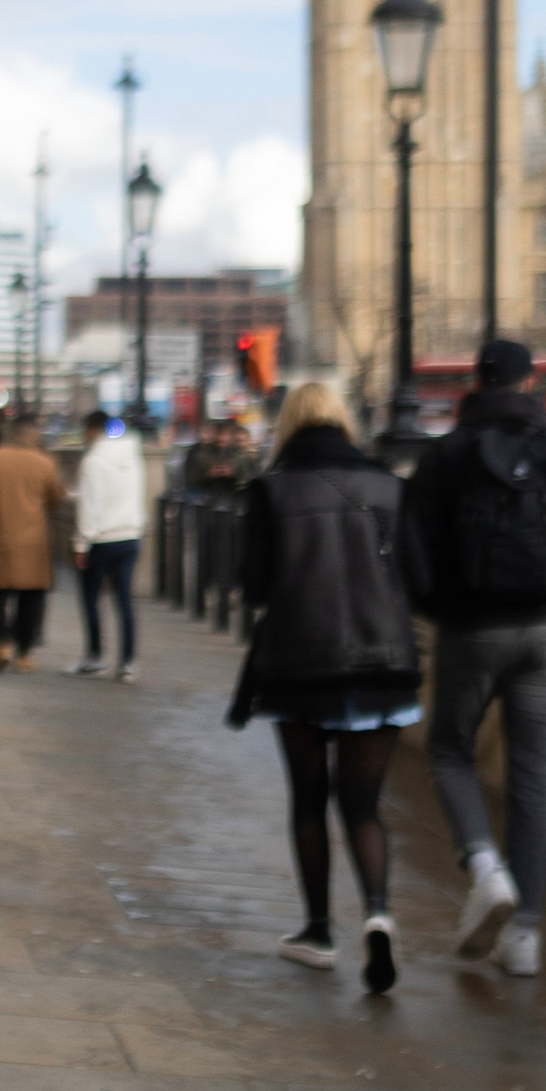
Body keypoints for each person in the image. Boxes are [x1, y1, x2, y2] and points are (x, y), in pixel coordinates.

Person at [401, 333, 546, 977]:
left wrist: (446, 612)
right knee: (532, 775)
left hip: (471, 627)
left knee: (448, 748)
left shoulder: (445, 457)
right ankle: (525, 937)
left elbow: (410, 551)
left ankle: (485, 866)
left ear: (478, 382)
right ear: (529, 385)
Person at [229, 377, 422, 994]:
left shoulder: (270, 491)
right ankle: (379, 913)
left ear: (287, 425)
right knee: (363, 805)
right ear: (344, 422)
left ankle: (318, 932)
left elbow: (254, 587)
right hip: (381, 666)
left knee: (309, 800)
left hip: (298, 664)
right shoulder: (391, 488)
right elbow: (417, 577)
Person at [0, 413, 63, 670]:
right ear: (34, 435)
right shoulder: (45, 463)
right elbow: (56, 498)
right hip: (34, 541)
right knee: (32, 599)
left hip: (0, 537)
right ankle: (24, 652)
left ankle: (2, 642)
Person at [70, 412, 147, 680]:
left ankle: (95, 656)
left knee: (91, 598)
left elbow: (89, 506)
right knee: (125, 600)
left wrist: (81, 544)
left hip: (101, 539)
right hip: (130, 535)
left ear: (91, 429)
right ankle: (128, 662)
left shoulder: (93, 461)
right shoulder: (133, 456)